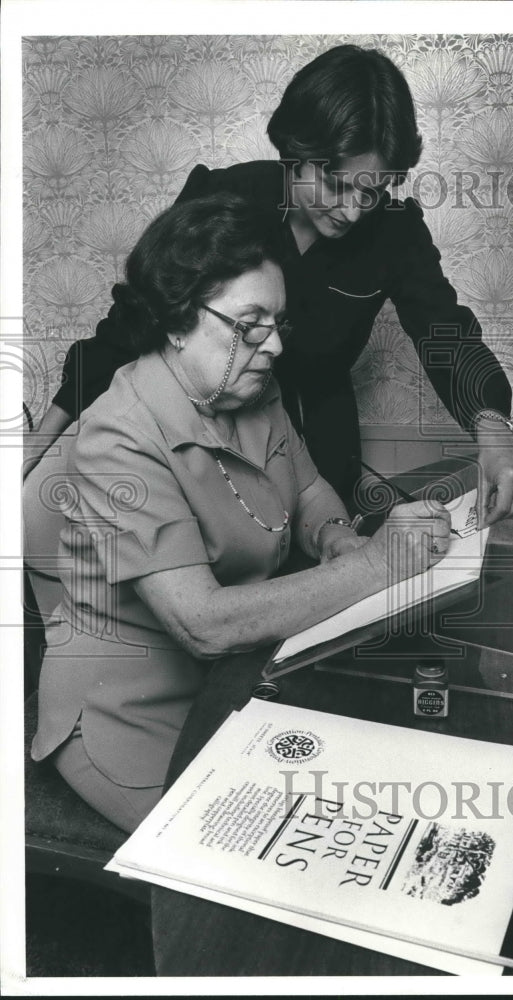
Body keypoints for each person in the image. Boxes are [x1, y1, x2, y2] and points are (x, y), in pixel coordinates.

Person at [28, 193, 453, 833]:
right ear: (176, 320)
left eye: (279, 324)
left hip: (233, 676)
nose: (274, 345)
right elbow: (201, 624)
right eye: (251, 324)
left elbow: (307, 491)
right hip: (129, 710)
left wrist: (336, 536)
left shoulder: (252, 385)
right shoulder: (117, 436)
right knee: (259, 839)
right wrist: (378, 565)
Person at [26, 43, 513, 522]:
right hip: (211, 430)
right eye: (336, 185)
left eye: (370, 193)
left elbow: (445, 332)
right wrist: (37, 447)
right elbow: (133, 321)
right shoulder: (227, 196)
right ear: (296, 152)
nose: (352, 211)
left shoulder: (395, 231)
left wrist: (495, 432)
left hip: (320, 433)